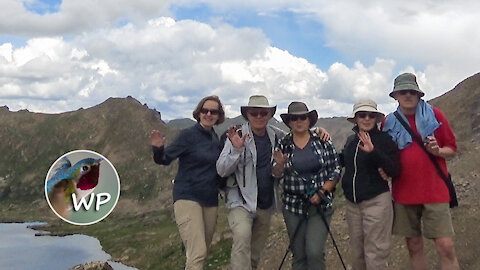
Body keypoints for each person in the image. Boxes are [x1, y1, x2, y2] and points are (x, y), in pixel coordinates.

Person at [382, 73, 459, 270]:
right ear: (395, 96)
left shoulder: (435, 115)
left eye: (412, 91)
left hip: (435, 190)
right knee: (413, 246)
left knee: (445, 246)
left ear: (418, 94)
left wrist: (438, 151)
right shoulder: (388, 122)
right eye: (403, 91)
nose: (408, 95)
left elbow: (452, 148)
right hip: (404, 193)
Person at [150, 95, 225, 270]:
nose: (208, 114)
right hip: (188, 197)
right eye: (204, 110)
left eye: (213, 111)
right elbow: (165, 159)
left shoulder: (215, 138)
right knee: (197, 252)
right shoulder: (188, 135)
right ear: (198, 113)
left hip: (210, 200)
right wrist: (158, 149)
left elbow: (220, 169)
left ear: (218, 115)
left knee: (202, 252)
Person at [272, 101, 341, 270]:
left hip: (320, 205)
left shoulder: (322, 141)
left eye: (303, 117)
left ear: (309, 120)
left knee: (314, 252)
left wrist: (323, 191)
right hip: (293, 206)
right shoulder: (283, 144)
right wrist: (280, 165)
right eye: (294, 118)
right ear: (289, 122)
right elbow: (276, 174)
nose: (299, 121)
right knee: (299, 254)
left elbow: (335, 168)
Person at [341, 99, 400, 270]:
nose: (366, 119)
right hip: (353, 205)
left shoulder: (384, 140)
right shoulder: (351, 141)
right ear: (356, 118)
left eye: (371, 115)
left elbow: (395, 169)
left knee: (375, 253)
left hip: (376, 202)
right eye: (362, 115)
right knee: (357, 254)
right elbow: (343, 162)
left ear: (376, 118)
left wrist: (374, 151)